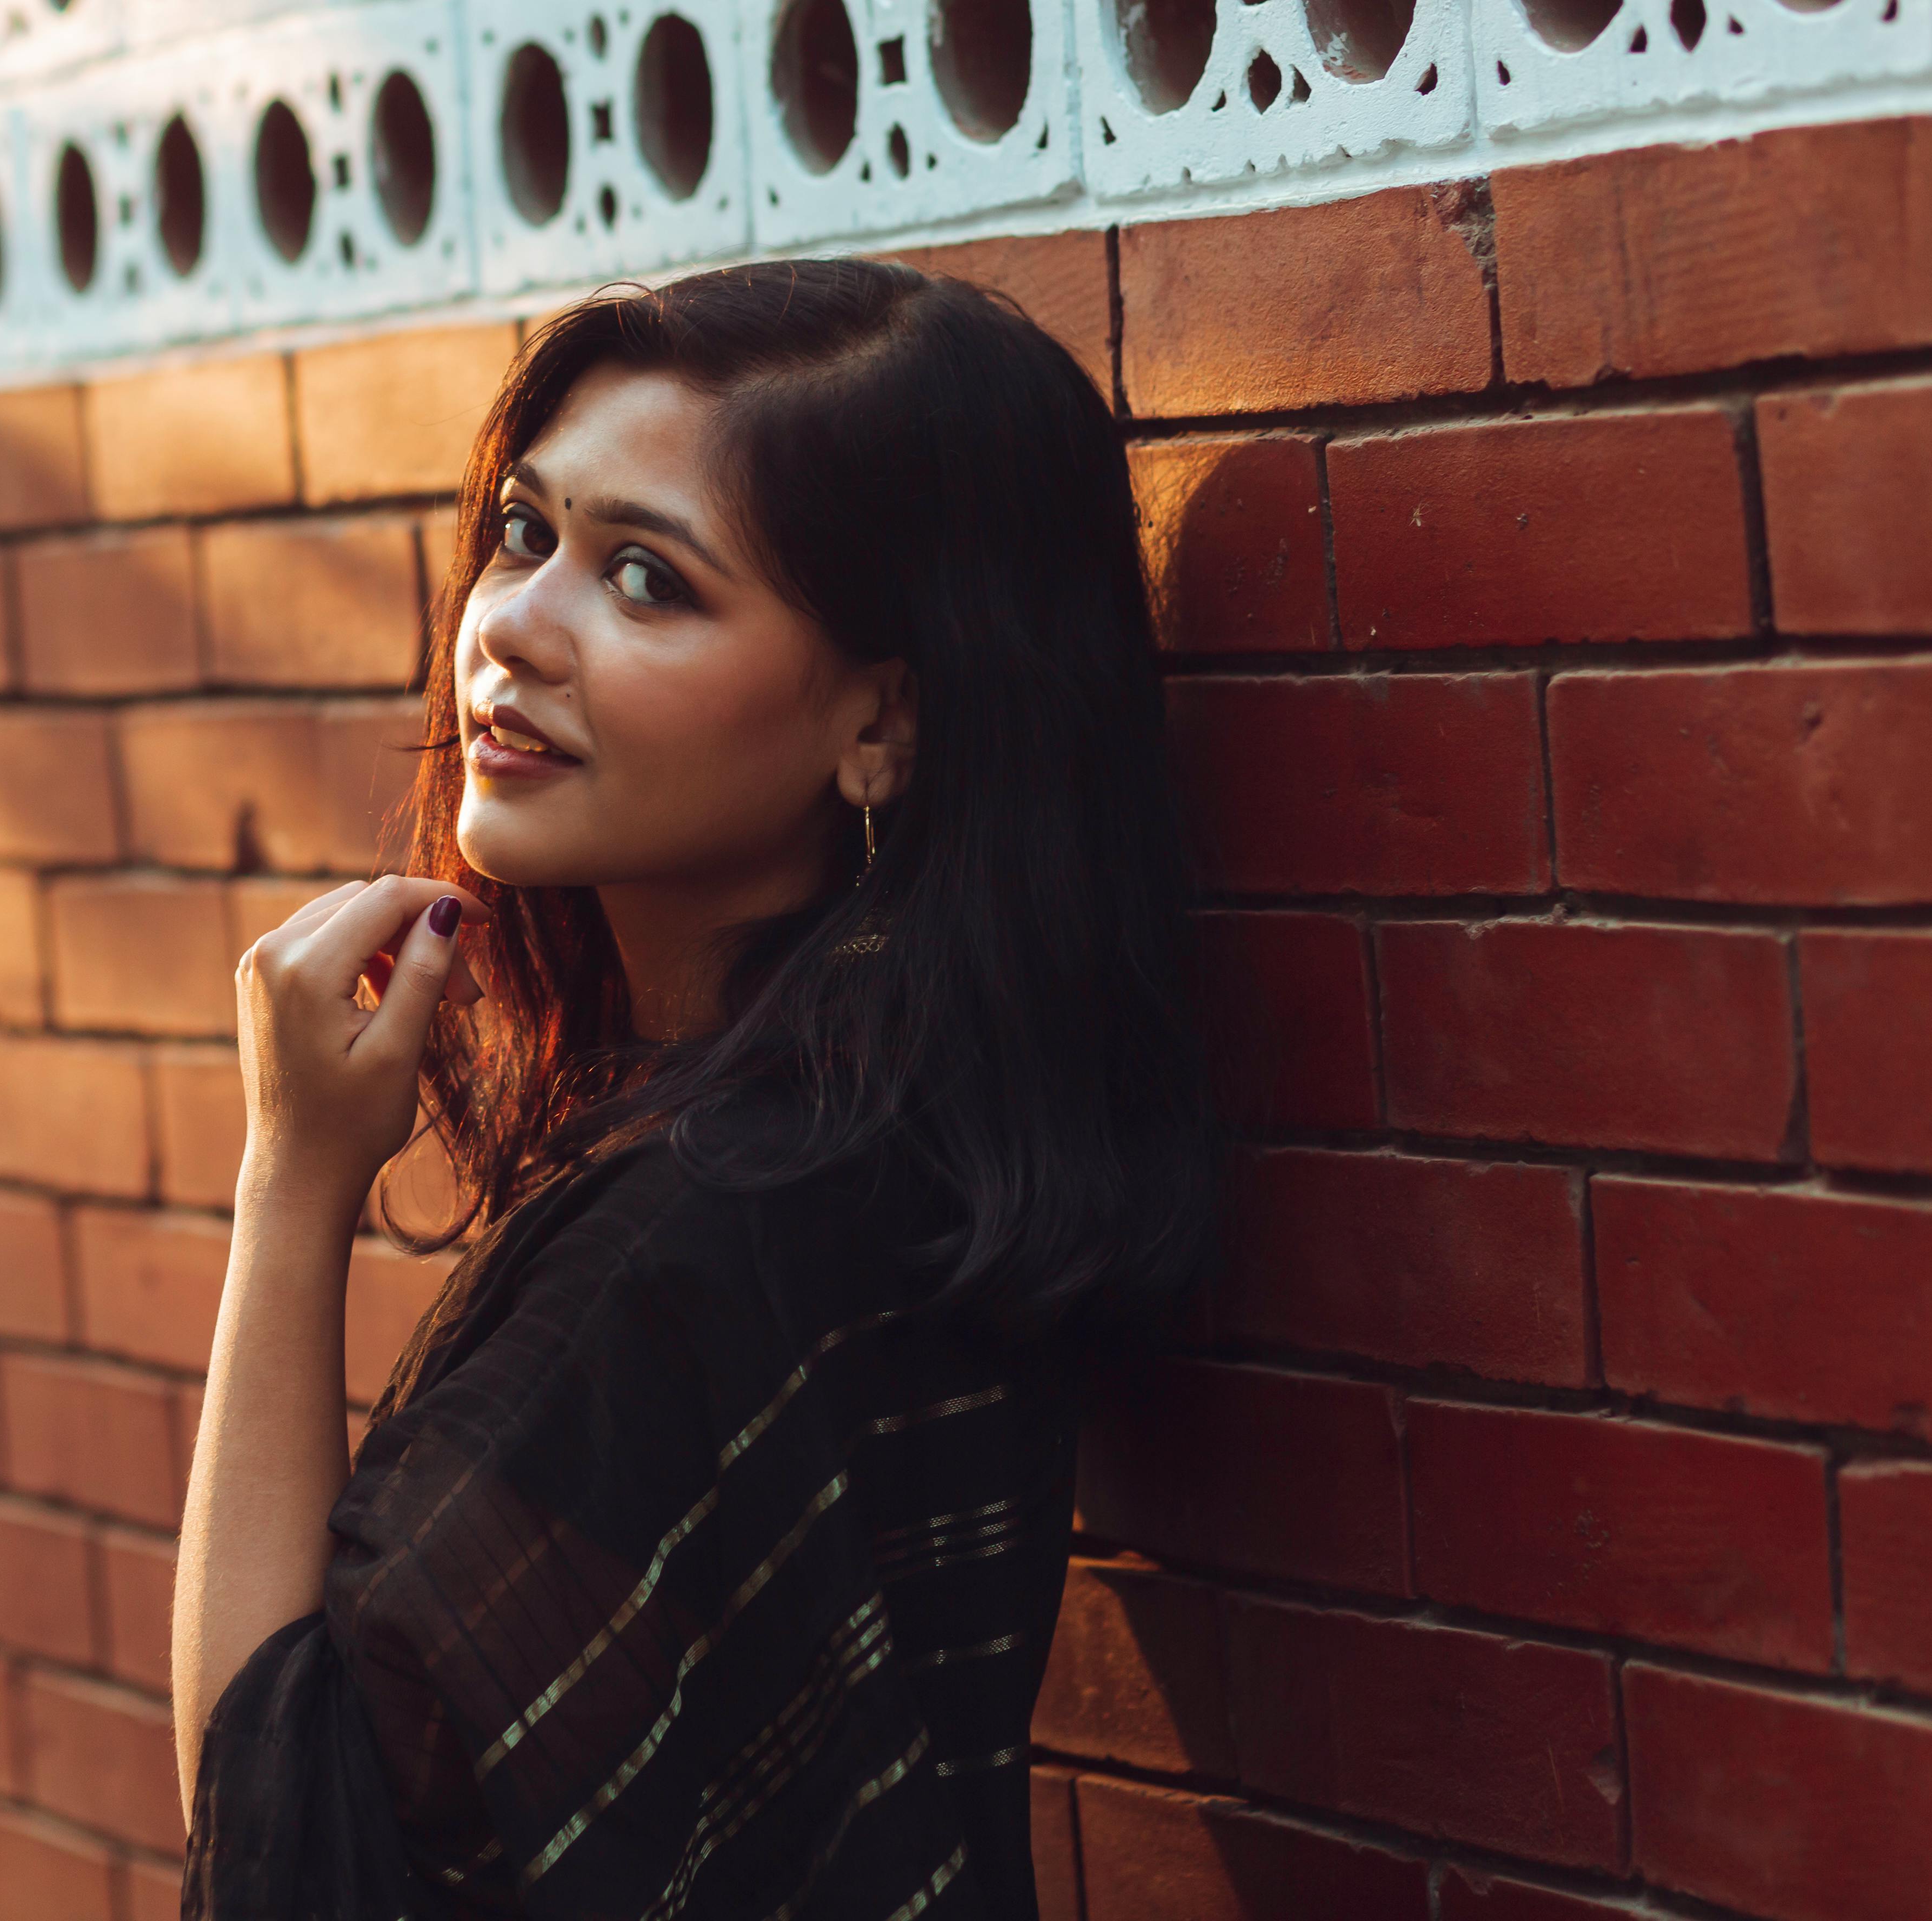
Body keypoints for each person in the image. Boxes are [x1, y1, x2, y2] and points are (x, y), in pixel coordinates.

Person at [170, 256, 1218, 1919]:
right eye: (527, 534)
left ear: (882, 727)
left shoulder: (698, 1242)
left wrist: (292, 1185)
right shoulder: (908, 1138)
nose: (514, 625)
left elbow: (294, 1848)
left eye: (646, 579)